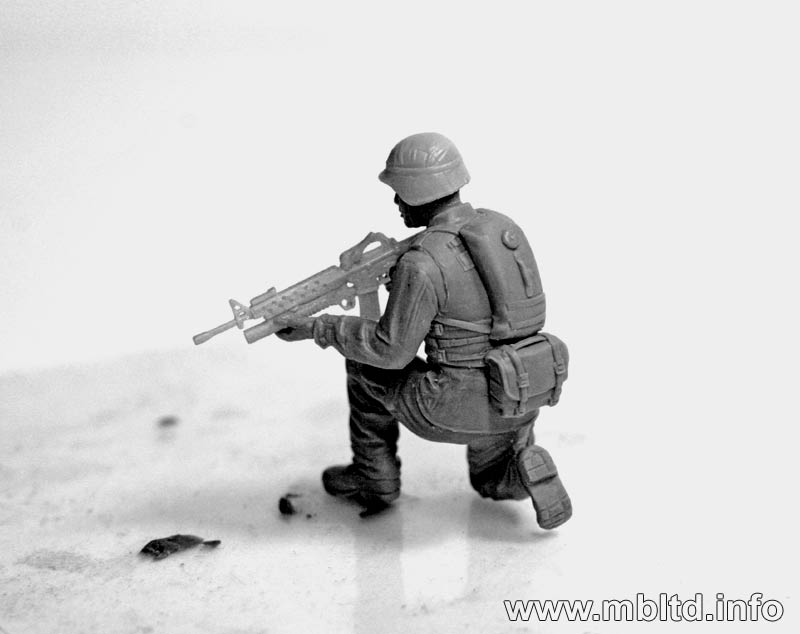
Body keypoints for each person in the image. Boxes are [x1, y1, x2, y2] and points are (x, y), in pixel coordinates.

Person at [276, 132, 572, 529]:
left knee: (362, 370)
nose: (397, 203)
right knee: (490, 480)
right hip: (520, 392)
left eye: (399, 193)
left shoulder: (422, 261)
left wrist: (320, 328)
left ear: (418, 191)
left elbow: (390, 351)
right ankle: (521, 470)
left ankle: (374, 479)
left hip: (452, 405)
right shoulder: (502, 229)